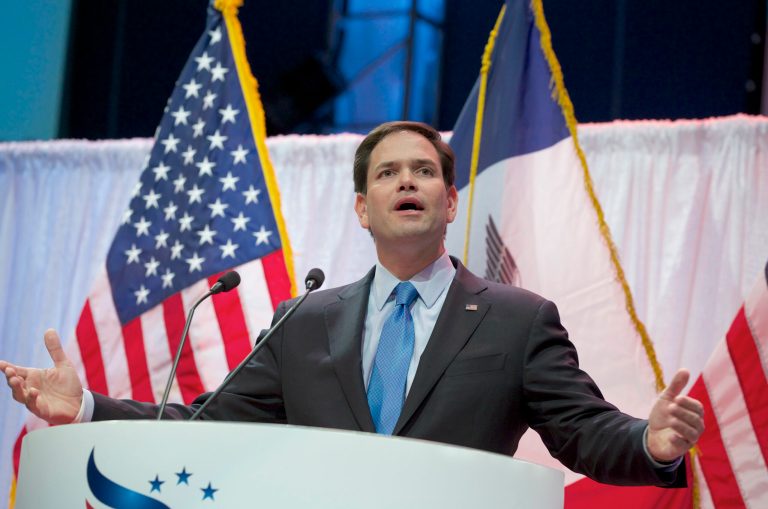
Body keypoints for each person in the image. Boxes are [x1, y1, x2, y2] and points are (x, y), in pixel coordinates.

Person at [2, 121, 703, 486]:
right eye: (388, 173)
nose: (409, 181)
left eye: (425, 171)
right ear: (363, 209)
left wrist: (652, 440)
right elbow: (204, 423)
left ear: (449, 201)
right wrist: (88, 407)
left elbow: (584, 430)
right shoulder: (305, 320)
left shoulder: (519, 319)